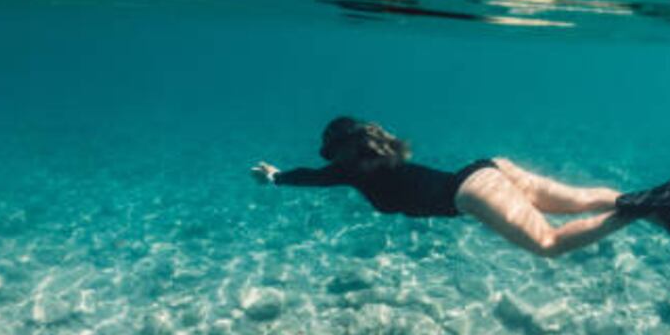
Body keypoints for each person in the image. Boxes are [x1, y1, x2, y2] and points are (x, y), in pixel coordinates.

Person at [251, 116, 636, 258]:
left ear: (340, 152)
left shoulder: (354, 170)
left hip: (471, 191)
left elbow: (311, 176)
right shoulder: (383, 154)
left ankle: (643, 210)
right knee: (575, 201)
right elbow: (317, 173)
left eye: (330, 154)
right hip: (490, 168)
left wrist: (274, 176)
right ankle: (640, 204)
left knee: (549, 245)